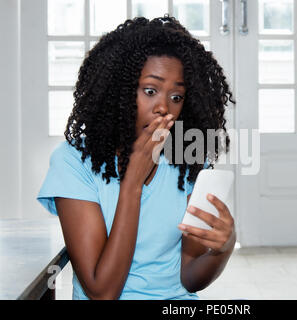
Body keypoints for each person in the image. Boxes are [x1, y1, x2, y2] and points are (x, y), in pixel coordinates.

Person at [37, 15, 236, 300]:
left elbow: (190, 278)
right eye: (150, 91)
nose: (163, 108)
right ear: (119, 89)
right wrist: (132, 183)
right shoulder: (73, 162)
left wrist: (223, 247)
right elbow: (101, 291)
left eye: (176, 97)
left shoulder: (186, 160)